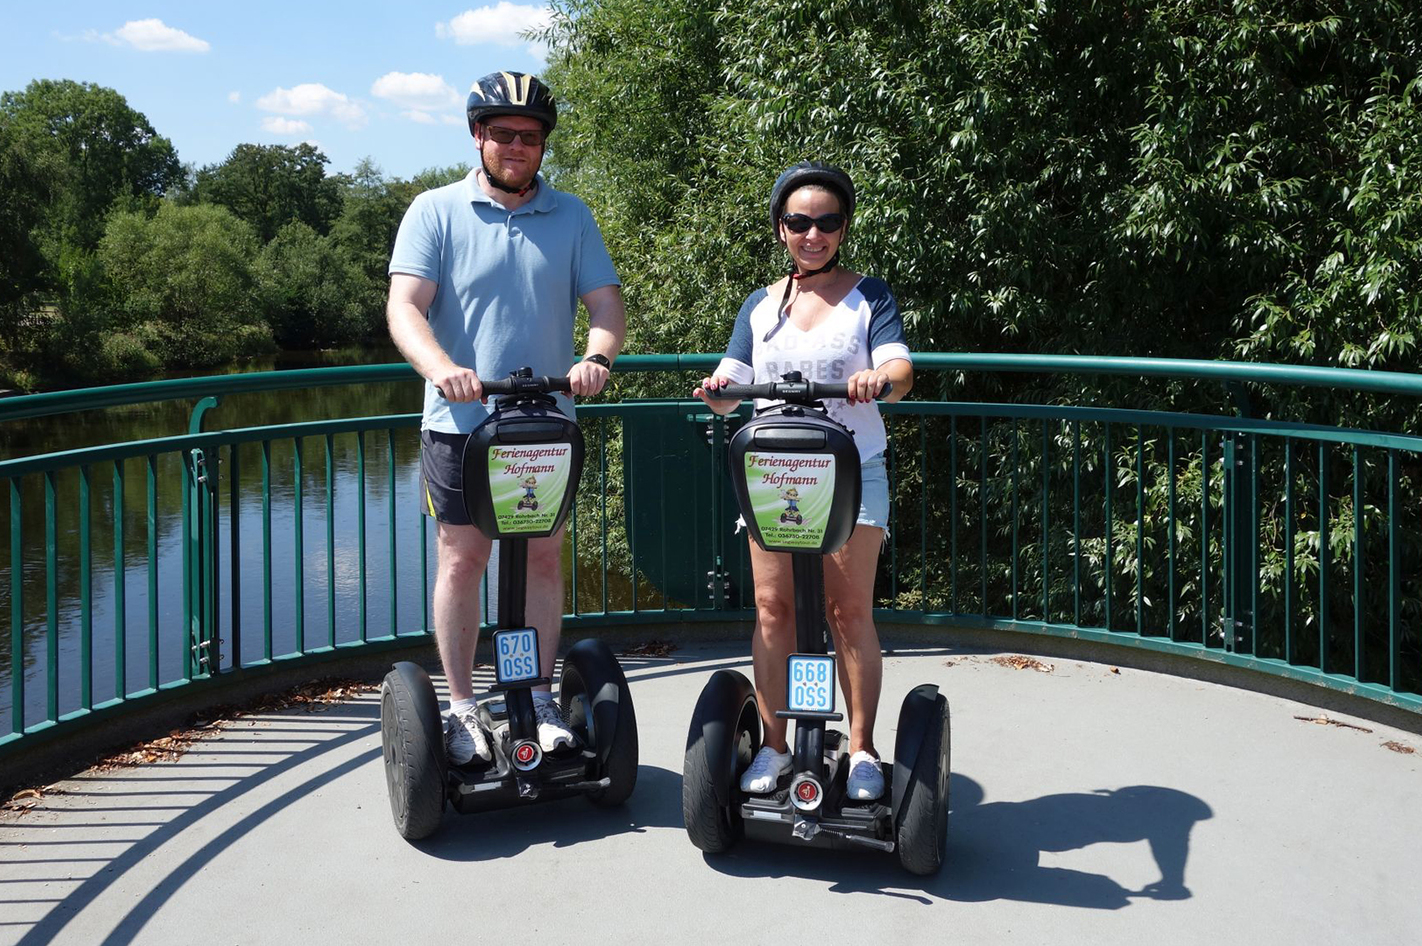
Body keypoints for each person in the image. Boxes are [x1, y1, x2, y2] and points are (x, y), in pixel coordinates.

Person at [387, 71, 626, 765]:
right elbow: (405, 307)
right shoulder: (435, 211)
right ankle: (462, 706)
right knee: (463, 560)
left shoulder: (573, 216)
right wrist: (441, 368)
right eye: (502, 134)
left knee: (545, 557)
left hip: (544, 426)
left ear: (543, 145)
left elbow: (606, 305)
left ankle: (539, 693)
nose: (516, 147)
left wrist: (598, 357)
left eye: (530, 137)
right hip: (459, 425)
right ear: (477, 136)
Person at [694, 162, 913, 801]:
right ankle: (774, 744)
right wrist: (716, 391)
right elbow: (730, 385)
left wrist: (882, 378)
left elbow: (900, 368)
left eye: (826, 222)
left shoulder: (869, 296)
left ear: (843, 228)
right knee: (773, 609)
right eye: (798, 221)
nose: (812, 234)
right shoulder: (761, 305)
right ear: (781, 227)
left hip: (850, 470)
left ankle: (865, 748)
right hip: (774, 472)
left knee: (848, 612)